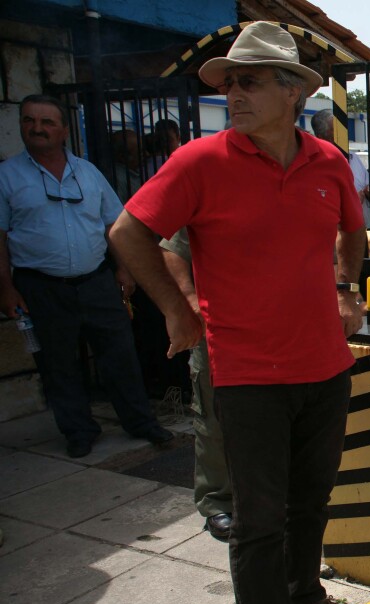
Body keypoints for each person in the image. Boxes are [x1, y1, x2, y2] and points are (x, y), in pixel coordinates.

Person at [106, 22, 367, 604]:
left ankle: (305, 593)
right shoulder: (200, 161)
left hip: (325, 367)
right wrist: (176, 307)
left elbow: (352, 231)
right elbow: (127, 233)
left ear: (292, 93)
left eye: (248, 82)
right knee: (258, 521)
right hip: (247, 375)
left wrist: (346, 287)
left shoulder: (327, 161)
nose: (234, 94)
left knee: (311, 501)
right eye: (229, 83)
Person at [0, 94, 174, 459]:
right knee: (58, 362)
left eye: (48, 122)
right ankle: (79, 431)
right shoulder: (7, 176)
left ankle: (141, 422)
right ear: (21, 125)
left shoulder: (88, 172)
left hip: (96, 280)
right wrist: (6, 286)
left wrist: (125, 267)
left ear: (64, 130)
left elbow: (114, 224)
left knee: (120, 354)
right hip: (41, 286)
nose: (38, 128)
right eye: (30, 121)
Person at [159, 228, 232, 542]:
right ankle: (217, 499)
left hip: (278, 324)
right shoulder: (214, 181)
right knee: (212, 413)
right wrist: (188, 300)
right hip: (218, 325)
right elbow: (171, 250)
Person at [309, 109, 370, 221]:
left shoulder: (354, 158)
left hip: (360, 231)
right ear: (320, 136)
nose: (343, 133)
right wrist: (352, 201)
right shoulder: (314, 165)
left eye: (343, 128)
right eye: (336, 130)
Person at [108, 129, 142, 203]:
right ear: (123, 156)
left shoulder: (134, 173)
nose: (146, 154)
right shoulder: (118, 178)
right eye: (139, 151)